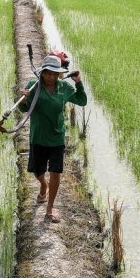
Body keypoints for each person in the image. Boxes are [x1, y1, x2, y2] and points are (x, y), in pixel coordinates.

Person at [19, 54, 87, 223]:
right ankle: (43, 184)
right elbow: (23, 109)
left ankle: (50, 208)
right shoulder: (33, 87)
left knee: (55, 171)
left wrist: (78, 83)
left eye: (54, 73)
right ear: (42, 73)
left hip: (56, 137)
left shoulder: (64, 88)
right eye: (48, 73)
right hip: (38, 135)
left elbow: (82, 100)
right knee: (37, 171)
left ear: (59, 74)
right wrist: (24, 98)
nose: (51, 77)